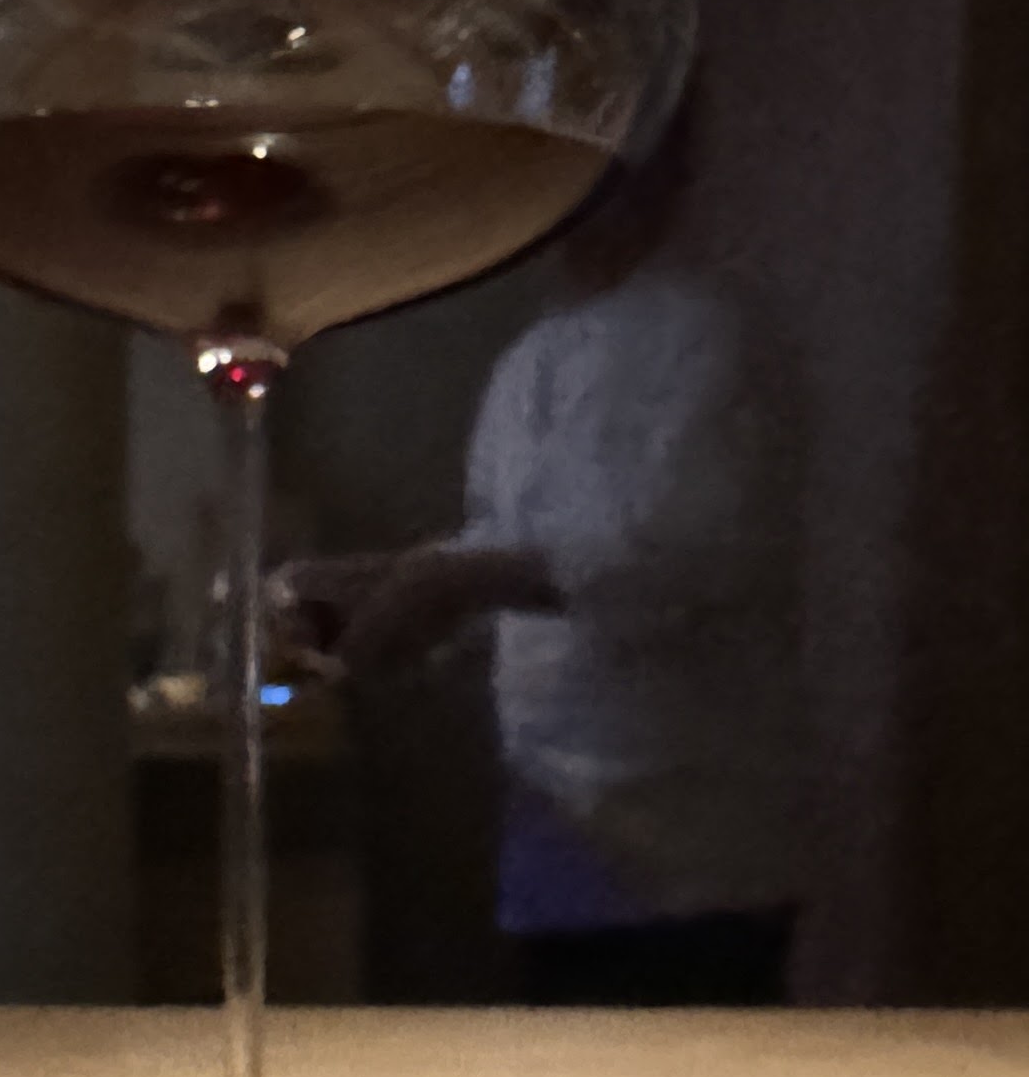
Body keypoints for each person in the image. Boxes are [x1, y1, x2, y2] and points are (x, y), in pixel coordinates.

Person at [282, 133, 806, 1002]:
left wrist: (446, 584)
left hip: (690, 839)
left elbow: (689, 557)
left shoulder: (707, 334)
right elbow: (511, 547)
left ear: (660, 172)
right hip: (556, 833)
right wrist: (383, 583)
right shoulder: (530, 358)